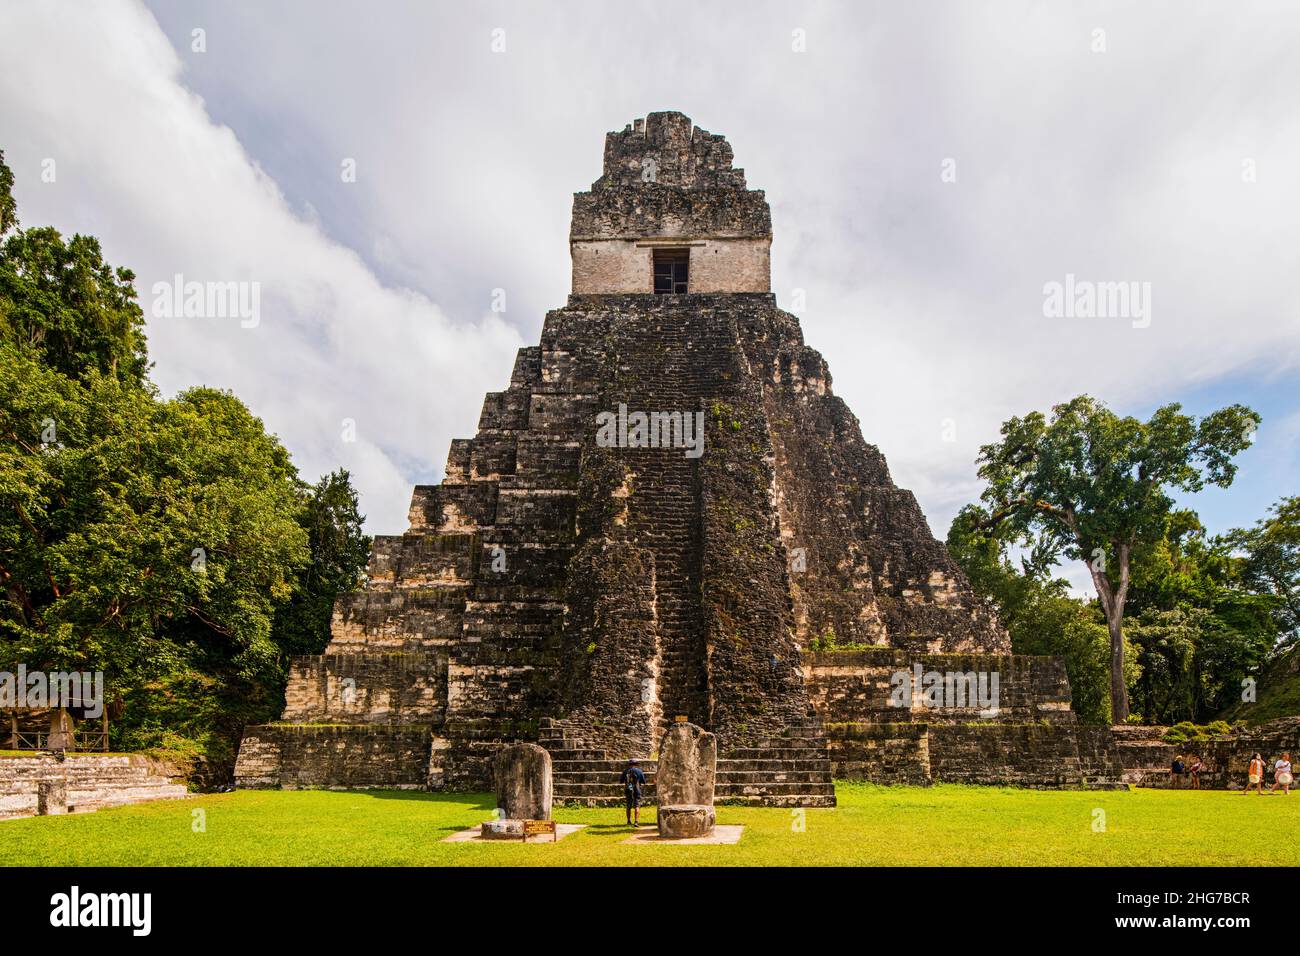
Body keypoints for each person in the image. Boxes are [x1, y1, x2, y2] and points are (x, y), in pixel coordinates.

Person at [619, 758, 647, 826]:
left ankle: (628, 821)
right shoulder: (639, 771)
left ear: (629, 764)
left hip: (628, 789)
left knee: (628, 806)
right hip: (637, 790)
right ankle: (636, 821)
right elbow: (643, 781)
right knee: (637, 806)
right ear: (636, 764)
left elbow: (621, 781)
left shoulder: (625, 771)